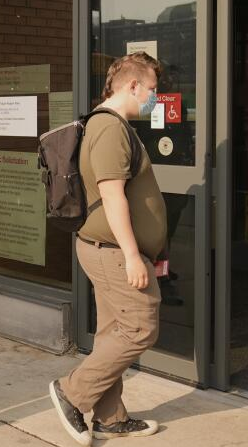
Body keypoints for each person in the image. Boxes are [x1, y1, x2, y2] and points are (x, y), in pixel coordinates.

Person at [48, 52, 165, 446]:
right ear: (132, 85)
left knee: (113, 331)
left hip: (105, 247)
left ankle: (110, 418)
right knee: (140, 326)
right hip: (113, 250)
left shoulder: (108, 125)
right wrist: (133, 255)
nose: (154, 97)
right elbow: (112, 195)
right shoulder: (111, 128)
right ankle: (71, 392)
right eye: (152, 89)